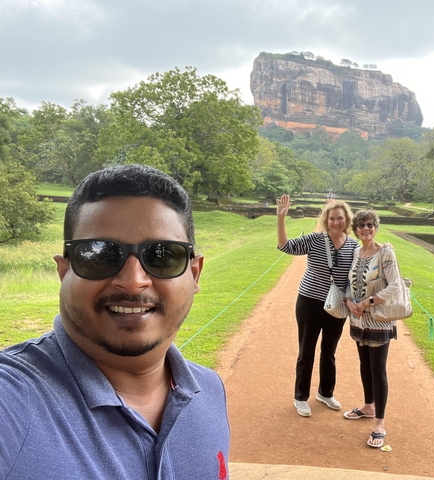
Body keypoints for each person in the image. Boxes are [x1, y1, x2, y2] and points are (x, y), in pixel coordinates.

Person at [0, 165, 230, 479]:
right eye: (99, 255)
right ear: (64, 271)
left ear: (194, 273)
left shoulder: (210, 390)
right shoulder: (12, 400)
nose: (133, 282)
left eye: (162, 256)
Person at [276, 194, 359, 417]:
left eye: (340, 218)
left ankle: (325, 392)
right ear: (326, 219)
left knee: (329, 352)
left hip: (337, 306)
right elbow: (285, 247)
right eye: (332, 218)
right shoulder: (315, 239)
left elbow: (354, 276)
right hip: (310, 302)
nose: (336, 222)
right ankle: (300, 397)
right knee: (307, 350)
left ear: (346, 220)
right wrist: (281, 219)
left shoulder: (353, 246)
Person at [343, 210, 403, 448]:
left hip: (378, 319)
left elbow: (396, 286)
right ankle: (368, 406)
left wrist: (367, 303)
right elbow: (349, 283)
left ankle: (379, 423)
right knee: (364, 364)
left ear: (376, 227)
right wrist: (350, 302)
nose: (365, 228)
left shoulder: (385, 253)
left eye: (370, 224)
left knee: (378, 369)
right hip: (358, 319)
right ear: (355, 230)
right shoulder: (357, 253)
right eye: (361, 225)